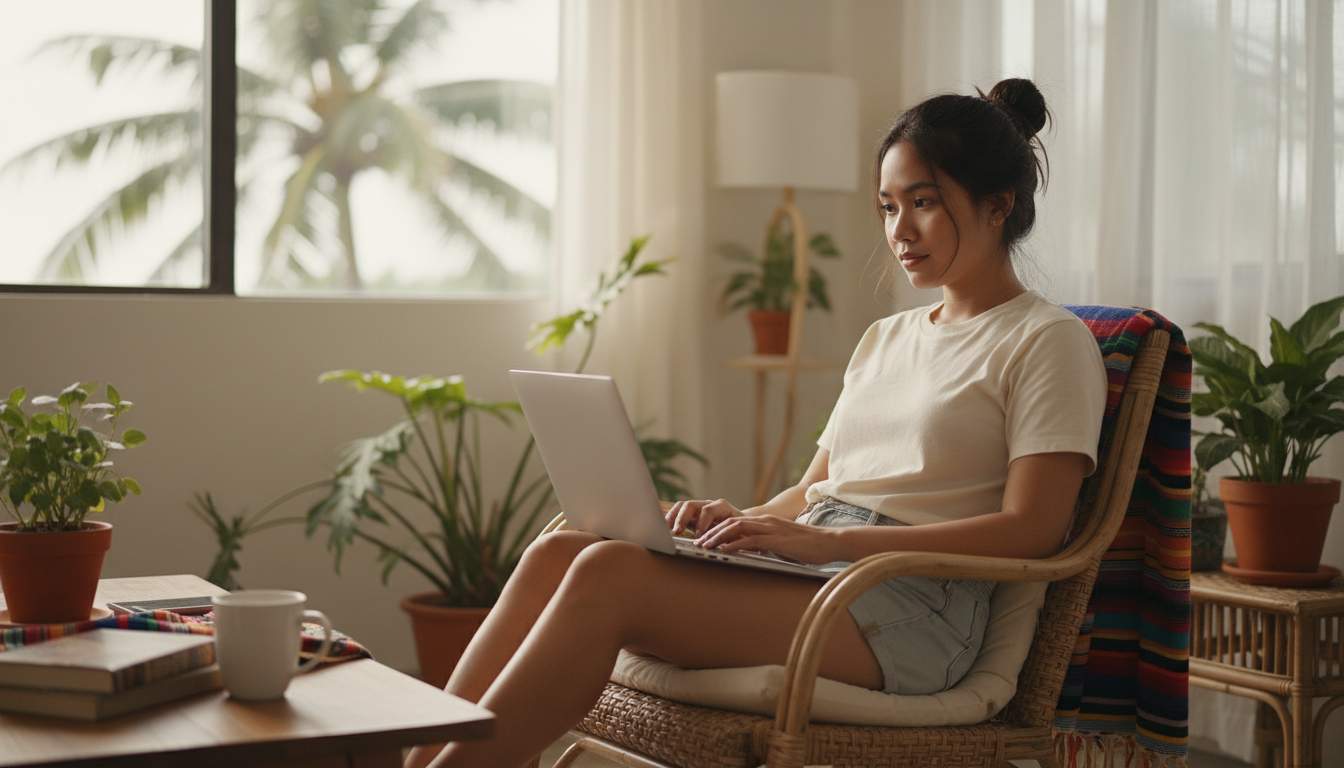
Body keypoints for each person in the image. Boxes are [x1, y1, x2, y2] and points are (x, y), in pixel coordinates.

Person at [404, 77, 1108, 768]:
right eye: (888, 206)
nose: (900, 230)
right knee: (560, 552)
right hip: (822, 574)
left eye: (923, 203)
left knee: (608, 573)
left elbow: (1034, 529)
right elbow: (814, 491)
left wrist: (828, 544)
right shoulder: (887, 337)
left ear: (997, 205)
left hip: (913, 608)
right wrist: (737, 523)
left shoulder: (1046, 340)